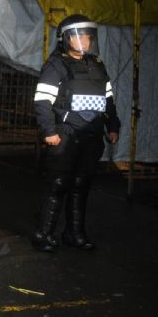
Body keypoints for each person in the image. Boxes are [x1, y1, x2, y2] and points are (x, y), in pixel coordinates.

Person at [31, 14, 120, 252]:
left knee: (81, 184)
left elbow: (108, 101)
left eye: (88, 36)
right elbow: (42, 102)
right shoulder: (56, 66)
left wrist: (113, 126)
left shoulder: (97, 66)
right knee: (58, 184)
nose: (84, 41)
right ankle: (44, 235)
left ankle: (74, 233)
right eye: (79, 35)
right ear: (66, 38)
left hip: (91, 136)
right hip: (65, 135)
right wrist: (49, 131)